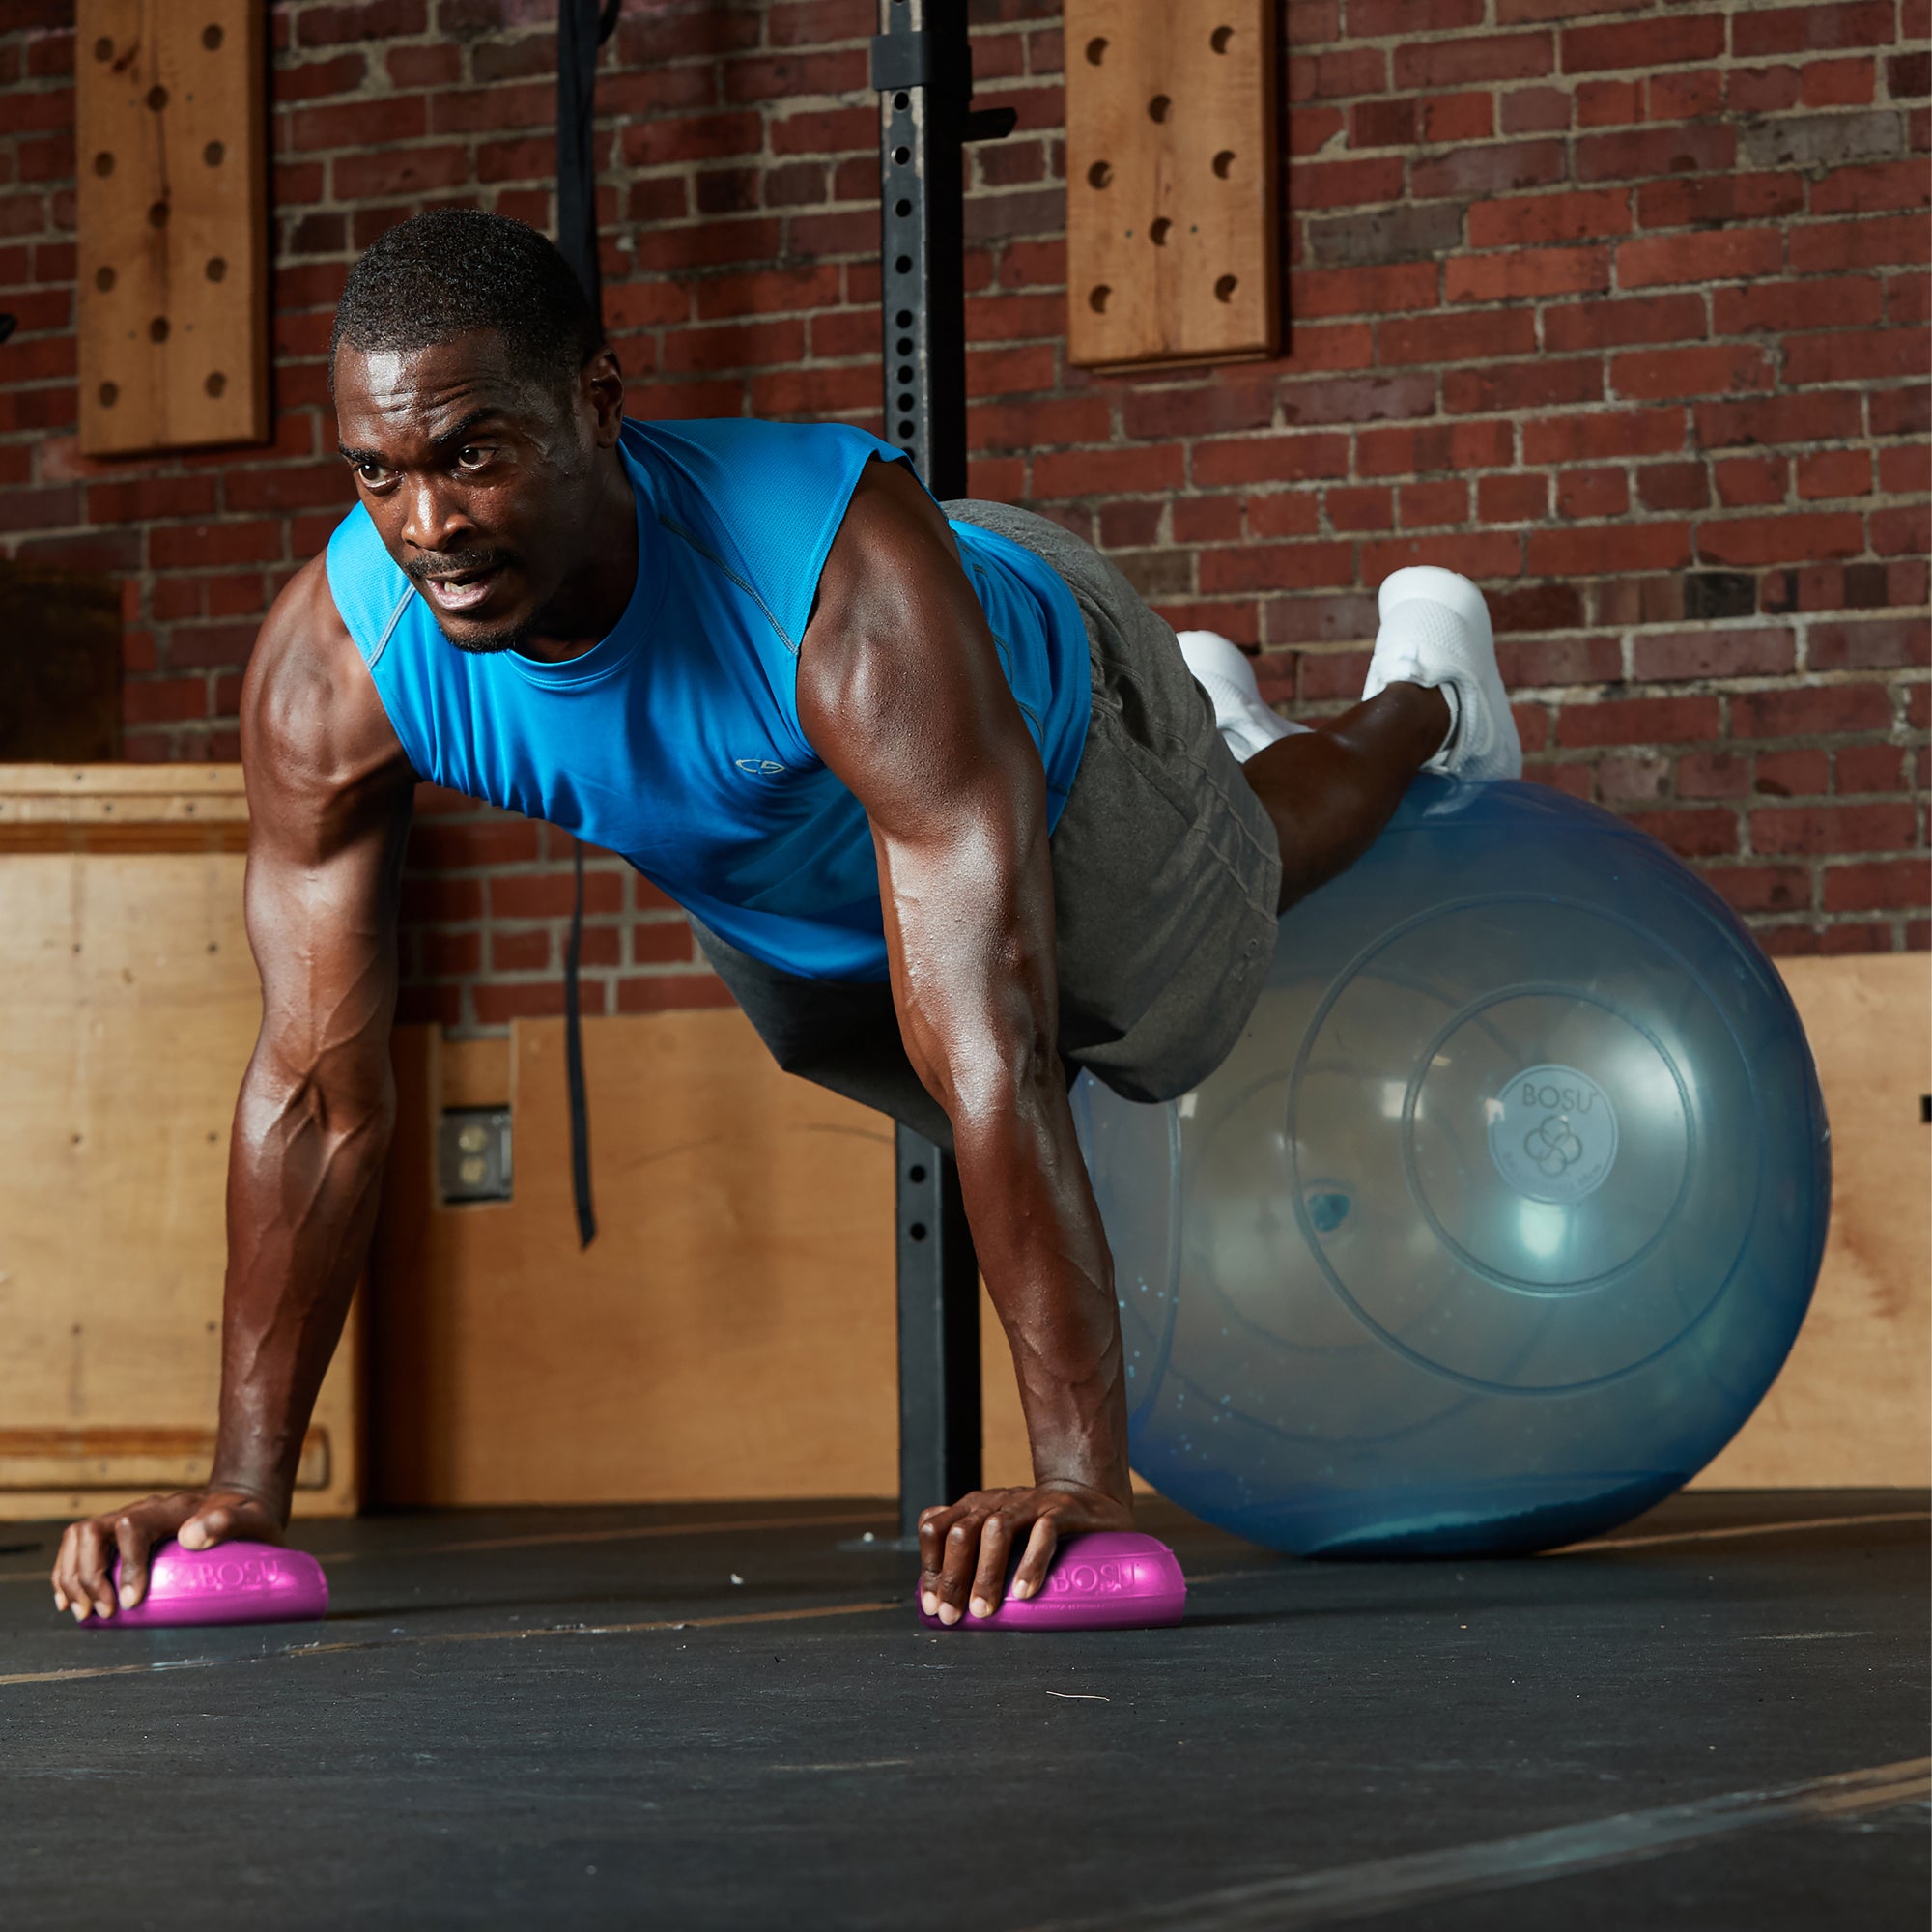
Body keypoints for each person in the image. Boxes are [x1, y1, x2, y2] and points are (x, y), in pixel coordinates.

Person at [50, 211, 1520, 1629]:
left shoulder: (829, 589)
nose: (427, 524)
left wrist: (1083, 1484)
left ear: (598, 403)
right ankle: (1235, 733)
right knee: (918, 1041)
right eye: (378, 473)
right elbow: (314, 1090)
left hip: (1029, 714)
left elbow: (996, 1045)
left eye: (473, 455)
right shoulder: (339, 659)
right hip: (792, 877)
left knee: (1176, 989)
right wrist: (238, 1491)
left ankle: (1422, 702)